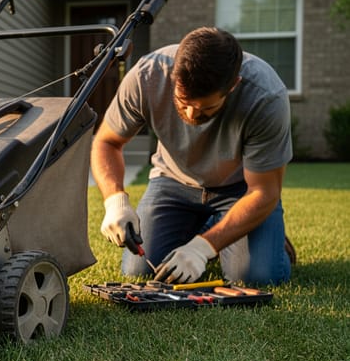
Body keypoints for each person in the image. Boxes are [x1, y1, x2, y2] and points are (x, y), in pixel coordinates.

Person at [91, 27, 293, 285]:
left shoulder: (265, 96)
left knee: (255, 277)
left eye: (206, 107)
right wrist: (115, 200)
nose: (191, 114)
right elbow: (106, 142)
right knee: (139, 272)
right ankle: (213, 226)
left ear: (233, 86)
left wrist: (203, 247)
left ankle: (266, 236)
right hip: (173, 184)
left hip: (240, 190)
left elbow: (264, 192)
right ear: (174, 75)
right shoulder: (147, 75)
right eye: (182, 100)